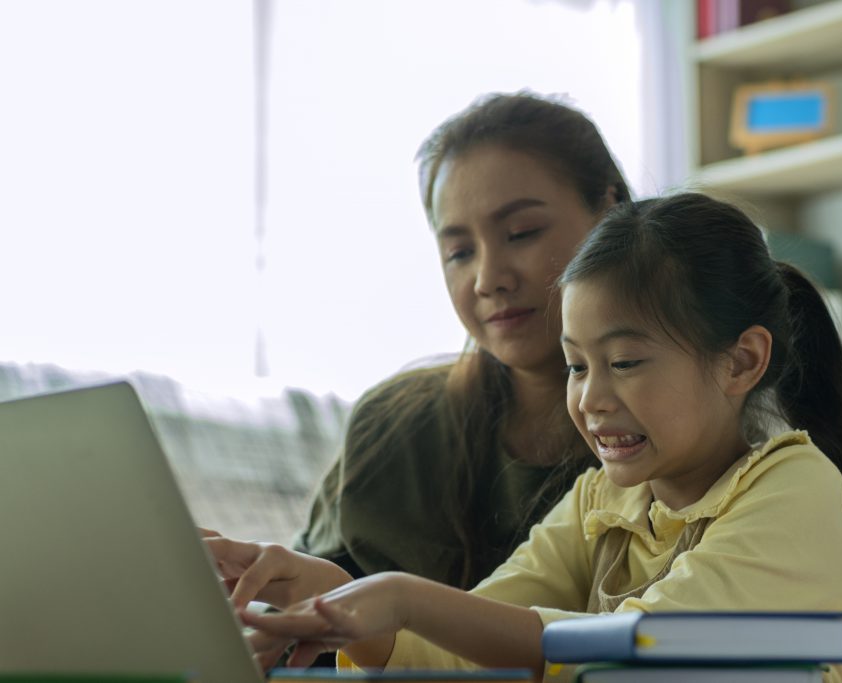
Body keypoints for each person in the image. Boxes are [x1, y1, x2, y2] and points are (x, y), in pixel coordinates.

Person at [234, 192, 842, 683]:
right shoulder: (597, 500)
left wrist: (406, 595)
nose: (590, 398)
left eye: (626, 362)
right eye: (578, 365)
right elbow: (468, 643)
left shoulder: (794, 484)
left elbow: (647, 643)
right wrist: (347, 604)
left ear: (740, 362)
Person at [203, 92, 632, 611]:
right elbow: (304, 631)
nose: (488, 279)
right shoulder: (394, 428)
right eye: (459, 252)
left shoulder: (679, 431)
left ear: (608, 214)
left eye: (522, 233)